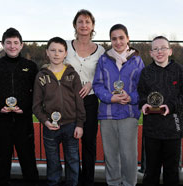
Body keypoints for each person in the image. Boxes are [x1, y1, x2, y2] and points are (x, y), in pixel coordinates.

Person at [0, 27, 39, 186]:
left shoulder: (30, 65)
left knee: (28, 159)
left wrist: (25, 107)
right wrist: (0, 106)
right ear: (3, 44)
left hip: (24, 120)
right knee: (2, 160)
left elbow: (36, 91)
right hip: (2, 120)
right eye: (8, 43)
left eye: (16, 42)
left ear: (21, 45)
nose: (12, 46)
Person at [137, 36, 183, 186]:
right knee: (151, 173)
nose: (159, 51)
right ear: (150, 53)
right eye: (155, 49)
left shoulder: (178, 70)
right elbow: (141, 94)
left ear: (170, 51)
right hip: (152, 131)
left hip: (173, 130)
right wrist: (143, 104)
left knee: (172, 173)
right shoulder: (146, 72)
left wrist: (171, 106)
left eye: (163, 48)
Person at [93, 24, 144, 186]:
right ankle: (113, 182)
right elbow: (98, 85)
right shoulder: (103, 59)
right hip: (107, 114)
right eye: (114, 39)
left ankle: (130, 183)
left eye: (121, 38)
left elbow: (142, 88)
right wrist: (111, 98)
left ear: (128, 38)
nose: (118, 42)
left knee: (129, 155)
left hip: (128, 113)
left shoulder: (137, 60)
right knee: (111, 154)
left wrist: (131, 97)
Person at [32, 37, 86, 186]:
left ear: (65, 54)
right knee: (53, 163)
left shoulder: (72, 75)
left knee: (73, 161)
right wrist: (46, 121)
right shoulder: (41, 76)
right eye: (53, 50)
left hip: (71, 125)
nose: (56, 54)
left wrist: (80, 124)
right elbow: (36, 105)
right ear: (47, 53)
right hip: (51, 128)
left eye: (60, 51)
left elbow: (79, 101)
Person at [65, 9, 105, 186]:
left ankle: (87, 181)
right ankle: (72, 179)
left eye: (87, 22)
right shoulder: (65, 46)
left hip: (89, 101)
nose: (84, 25)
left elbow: (104, 75)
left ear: (93, 26)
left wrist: (92, 83)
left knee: (89, 144)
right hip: (68, 101)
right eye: (80, 21)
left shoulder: (101, 50)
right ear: (75, 24)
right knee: (70, 144)